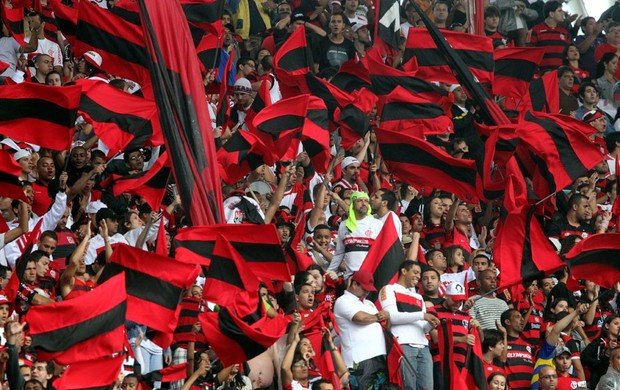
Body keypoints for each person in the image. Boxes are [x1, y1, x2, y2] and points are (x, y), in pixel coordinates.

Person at [379, 260, 439, 390]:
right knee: (407, 387)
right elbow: (392, 317)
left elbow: (423, 328)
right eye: (415, 272)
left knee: (427, 388)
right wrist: (422, 315)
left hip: (423, 347)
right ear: (404, 271)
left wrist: (431, 324)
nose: (418, 276)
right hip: (403, 345)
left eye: (419, 273)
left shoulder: (418, 297)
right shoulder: (388, 289)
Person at [334, 269, 388, 389]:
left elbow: (382, 323)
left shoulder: (369, 303)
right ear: (354, 284)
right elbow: (360, 318)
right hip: (359, 359)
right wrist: (379, 317)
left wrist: (386, 316)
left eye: (369, 290)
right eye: (364, 289)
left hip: (379, 355)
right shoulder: (342, 301)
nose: (366, 293)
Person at [327, 191, 382, 278]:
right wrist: (330, 271)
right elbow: (339, 253)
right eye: (360, 200)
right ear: (353, 204)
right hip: (350, 277)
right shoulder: (344, 225)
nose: (363, 203)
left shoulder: (377, 224)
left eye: (366, 201)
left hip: (370, 276)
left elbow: (381, 251)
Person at [528, 1, 569, 73]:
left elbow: (568, 53)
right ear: (551, 14)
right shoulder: (536, 30)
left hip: (562, 75)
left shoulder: (565, 32)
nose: (563, 13)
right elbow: (531, 53)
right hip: (543, 74)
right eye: (559, 11)